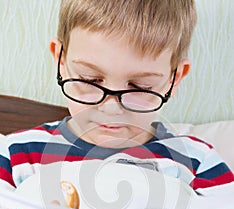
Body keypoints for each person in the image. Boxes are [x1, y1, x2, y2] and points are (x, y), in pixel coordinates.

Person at [0, 0, 233, 194]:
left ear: (175, 79)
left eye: (139, 86)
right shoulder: (15, 156)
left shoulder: (199, 164)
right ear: (61, 62)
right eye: (90, 80)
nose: (111, 109)